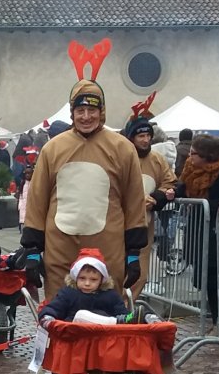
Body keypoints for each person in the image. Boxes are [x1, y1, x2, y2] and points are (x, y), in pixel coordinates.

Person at [19, 39, 148, 298]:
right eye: (80, 110)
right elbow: (38, 199)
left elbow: (134, 200)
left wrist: (133, 252)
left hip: (107, 246)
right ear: (72, 113)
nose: (86, 116)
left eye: (92, 110)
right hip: (60, 247)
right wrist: (32, 248)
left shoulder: (122, 148)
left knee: (106, 314)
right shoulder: (53, 149)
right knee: (60, 313)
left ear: (102, 112)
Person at [173, 133, 219, 319]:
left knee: (216, 272)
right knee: (202, 273)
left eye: (194, 153)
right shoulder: (190, 167)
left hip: (216, 229)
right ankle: (214, 313)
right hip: (197, 225)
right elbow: (182, 186)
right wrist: (174, 193)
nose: (190, 156)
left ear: (207, 155)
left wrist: (201, 203)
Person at [125, 97, 174, 285]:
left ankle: (129, 309)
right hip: (119, 223)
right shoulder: (122, 157)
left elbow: (170, 182)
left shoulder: (156, 159)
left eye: (148, 136)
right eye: (141, 136)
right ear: (132, 138)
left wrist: (157, 197)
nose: (145, 140)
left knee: (140, 274)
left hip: (144, 224)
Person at [37, 250, 130, 327]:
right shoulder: (68, 293)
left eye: (93, 280)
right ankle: (117, 321)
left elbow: (121, 310)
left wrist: (128, 317)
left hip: (103, 337)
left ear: (101, 280)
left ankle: (139, 318)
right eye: (82, 278)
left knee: (102, 315)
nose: (87, 283)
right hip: (75, 334)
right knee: (81, 315)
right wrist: (48, 316)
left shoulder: (110, 295)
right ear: (75, 277)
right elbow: (55, 307)